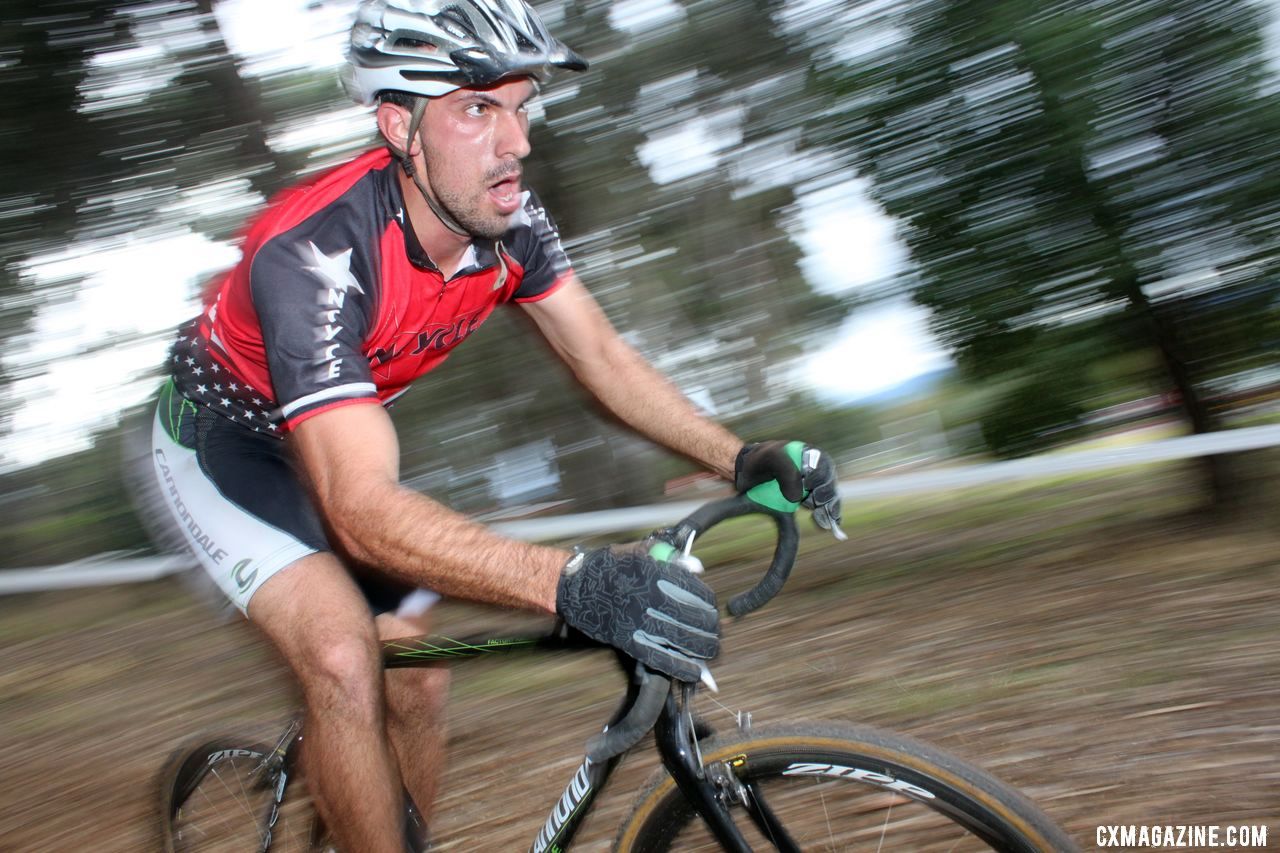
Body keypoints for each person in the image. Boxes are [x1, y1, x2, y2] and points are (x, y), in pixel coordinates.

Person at [147, 0, 842, 849]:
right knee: (338, 656)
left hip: (333, 433)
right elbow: (360, 504)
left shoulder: (506, 218)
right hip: (223, 441)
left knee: (418, 680)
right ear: (398, 124)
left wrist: (741, 454)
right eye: (478, 108)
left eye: (521, 105)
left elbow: (602, 359)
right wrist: (573, 580)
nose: (517, 142)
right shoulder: (312, 253)